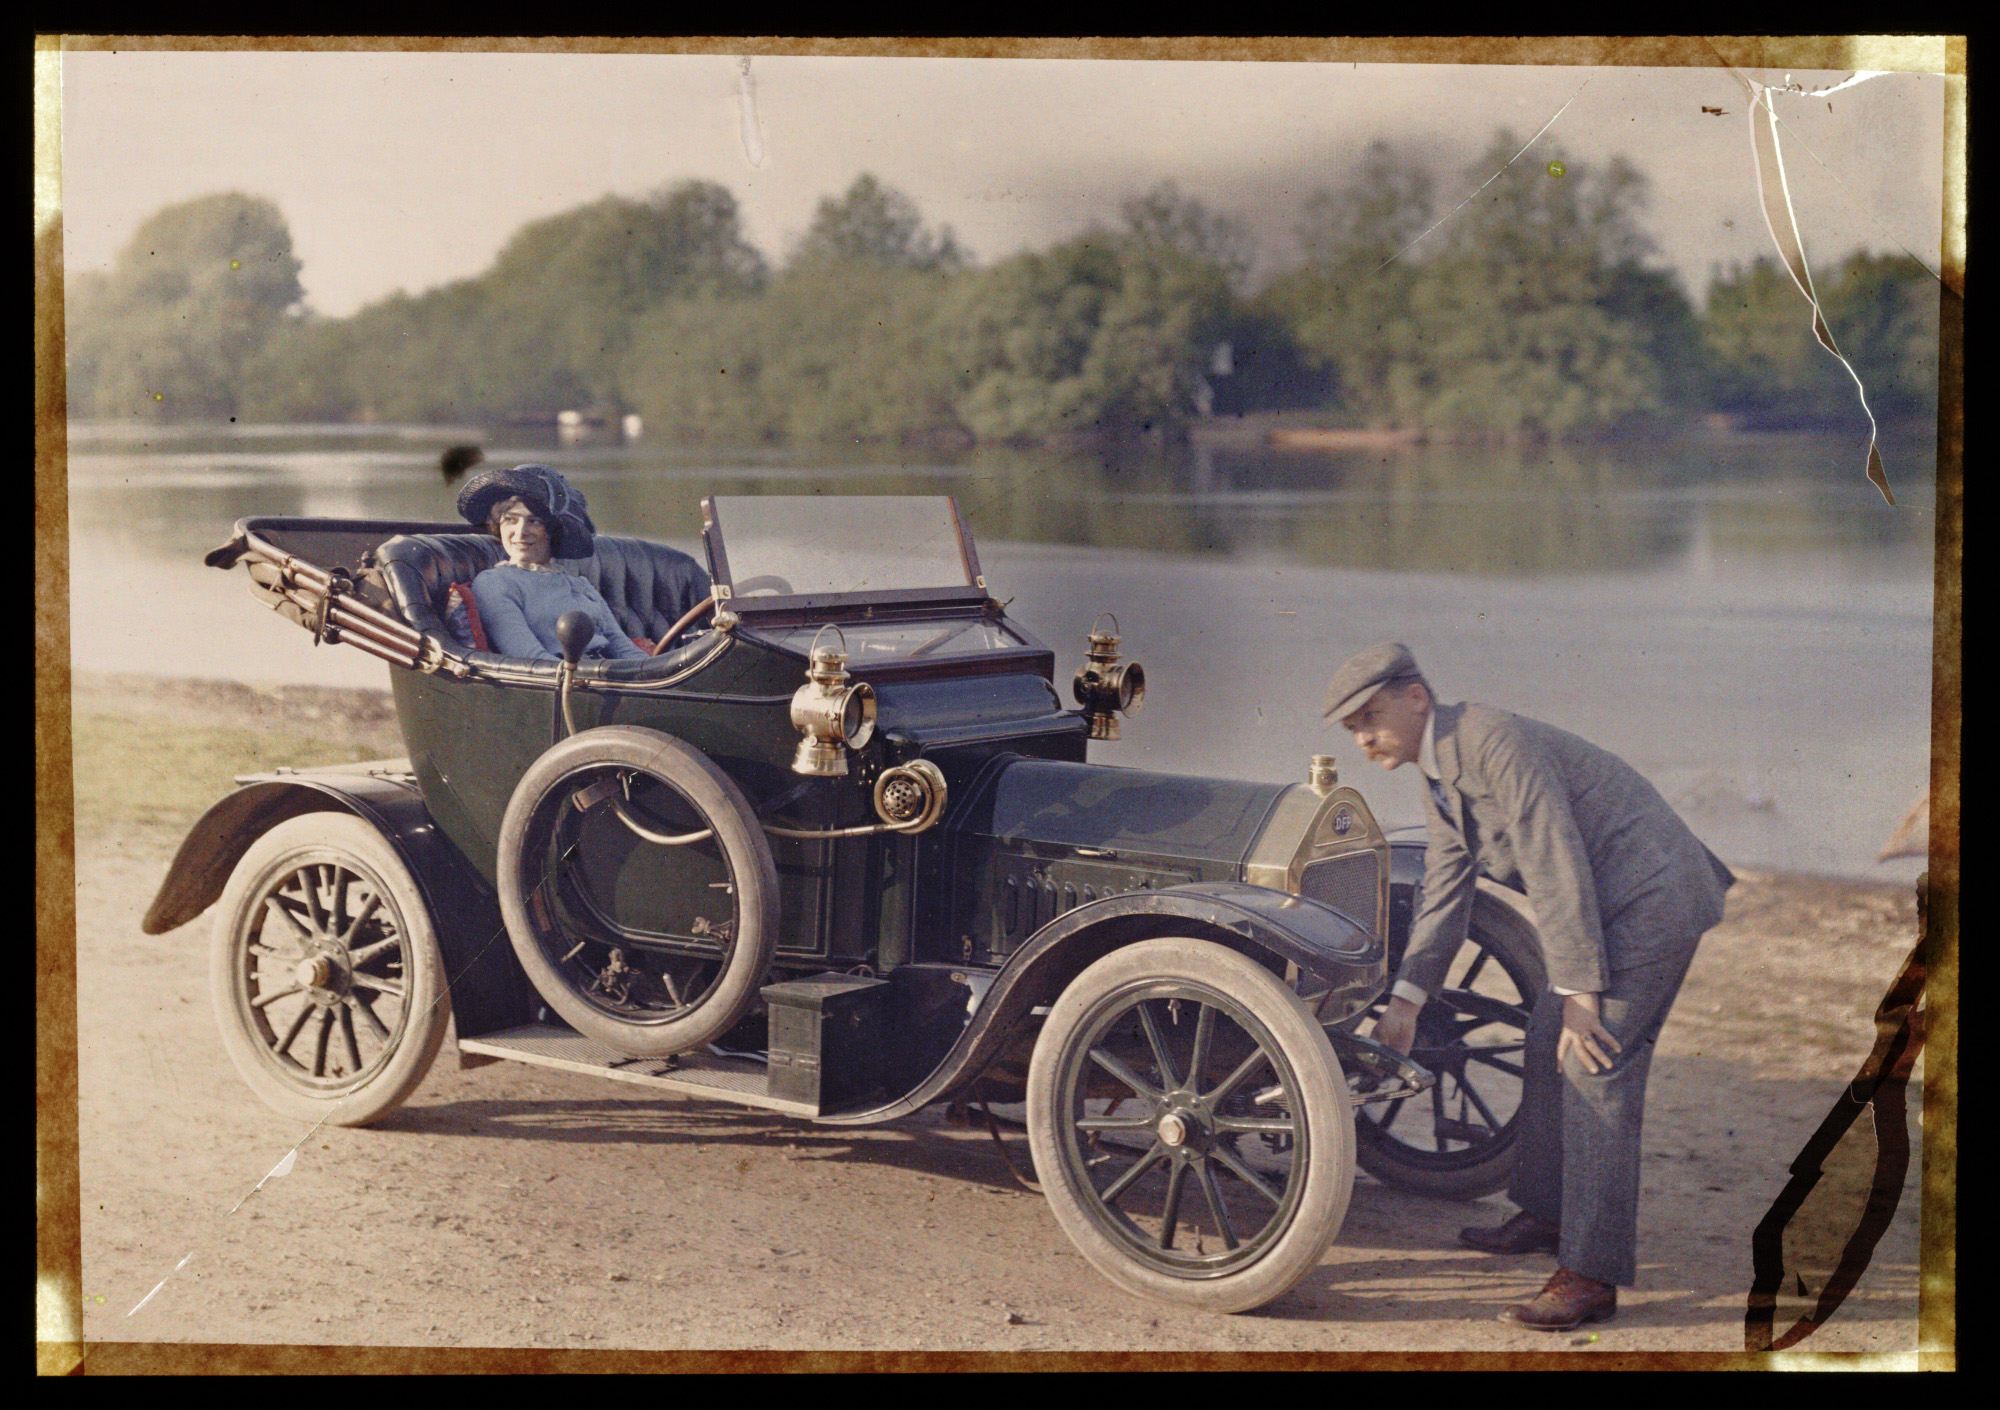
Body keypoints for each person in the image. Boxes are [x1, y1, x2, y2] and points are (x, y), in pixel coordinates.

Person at [1324, 642, 1734, 1333]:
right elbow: (1446, 894)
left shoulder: (1492, 741)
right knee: (1547, 1035)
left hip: (1653, 898)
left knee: (1592, 1063)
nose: (1363, 737)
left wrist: (1580, 990)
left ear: (1416, 697)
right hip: (1608, 905)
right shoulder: (1439, 775)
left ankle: (1591, 1275)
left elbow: (1554, 857)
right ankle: (1547, 1212)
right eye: (1350, 728)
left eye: (1371, 715)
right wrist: (1405, 1003)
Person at [455, 464, 650, 662]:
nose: (520, 533)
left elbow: (623, 648)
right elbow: (530, 657)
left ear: (553, 531)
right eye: (510, 520)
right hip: (561, 682)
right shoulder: (495, 583)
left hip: (606, 675)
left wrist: (652, 671)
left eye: (534, 521)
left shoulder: (579, 585)